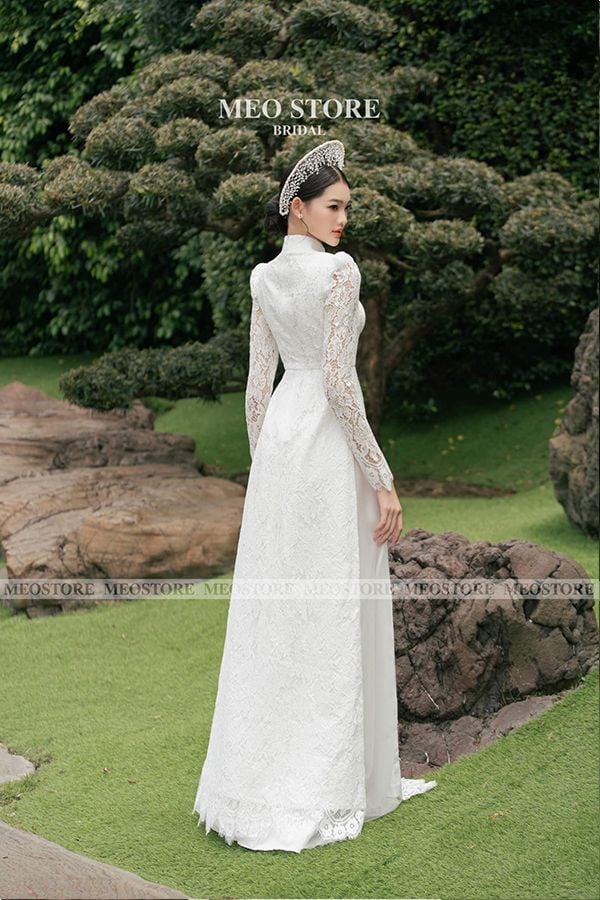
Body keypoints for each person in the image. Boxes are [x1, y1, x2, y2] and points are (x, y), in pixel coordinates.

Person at [192, 140, 437, 852]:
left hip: (281, 445)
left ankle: (260, 780)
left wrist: (267, 468)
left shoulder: (263, 277)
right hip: (326, 445)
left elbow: (255, 387)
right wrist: (381, 476)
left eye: (347, 208)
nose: (343, 219)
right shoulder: (339, 271)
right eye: (334, 206)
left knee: (279, 611)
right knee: (332, 605)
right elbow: (337, 381)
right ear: (297, 208)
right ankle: (330, 785)